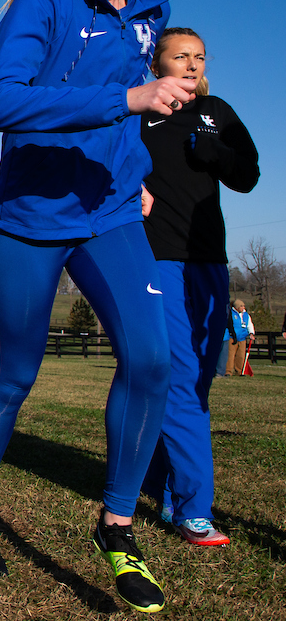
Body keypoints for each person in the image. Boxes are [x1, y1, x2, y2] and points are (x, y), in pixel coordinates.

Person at [0, 0, 192, 613]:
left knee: (153, 361)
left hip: (112, 210)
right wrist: (127, 98)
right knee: (16, 376)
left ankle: (118, 526)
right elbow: (3, 102)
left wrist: (134, 168)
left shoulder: (149, 0)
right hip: (29, 219)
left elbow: (131, 107)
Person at [138, 27, 259, 548]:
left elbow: (248, 175)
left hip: (209, 260)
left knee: (198, 381)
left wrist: (218, 155)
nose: (191, 64)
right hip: (157, 259)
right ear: (156, 64)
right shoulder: (138, 116)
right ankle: (194, 510)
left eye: (199, 56)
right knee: (182, 379)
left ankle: (156, 482)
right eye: (179, 56)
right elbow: (103, 166)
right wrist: (130, 185)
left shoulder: (219, 111)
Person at [224, 300, 252, 377]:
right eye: (241, 306)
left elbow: (249, 324)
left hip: (242, 338)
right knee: (230, 355)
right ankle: (228, 371)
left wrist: (251, 333)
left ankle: (239, 371)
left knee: (241, 355)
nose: (243, 307)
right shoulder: (231, 313)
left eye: (243, 306)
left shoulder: (246, 315)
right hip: (232, 338)